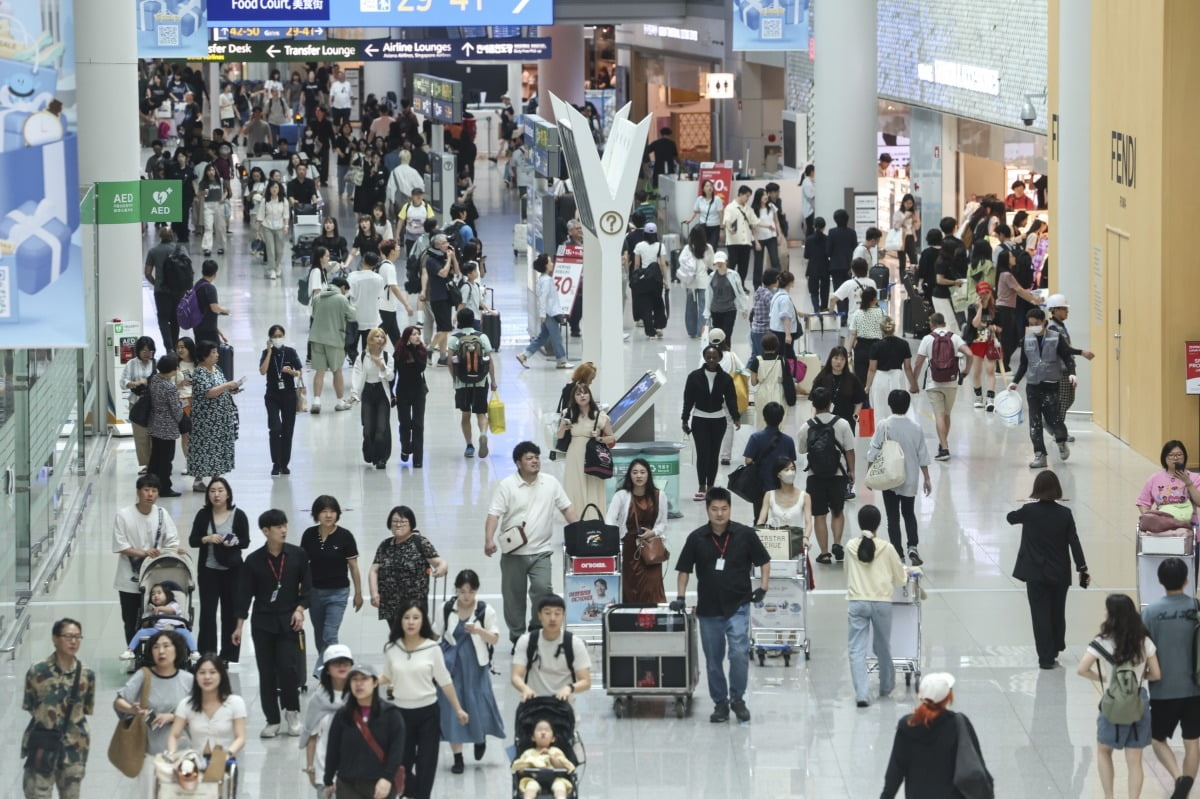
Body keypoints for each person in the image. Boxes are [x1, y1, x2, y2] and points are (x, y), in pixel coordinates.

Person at [673, 487, 769, 723]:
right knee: (713, 660)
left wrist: (763, 587)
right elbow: (684, 569)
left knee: (738, 653)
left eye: (724, 509)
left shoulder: (745, 534)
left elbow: (764, 561)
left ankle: (737, 698)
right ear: (707, 510)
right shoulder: (696, 538)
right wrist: (681, 597)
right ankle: (720, 704)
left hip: (738, 605)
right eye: (714, 509)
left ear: (730, 509)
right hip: (708, 610)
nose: (719, 514)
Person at [485, 442, 580, 646]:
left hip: (541, 551)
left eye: (536, 457)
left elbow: (567, 508)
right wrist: (489, 539)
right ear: (518, 463)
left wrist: (580, 531)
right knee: (513, 599)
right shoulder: (507, 485)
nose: (535, 461)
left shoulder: (551, 483)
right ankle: (518, 638)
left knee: (543, 589)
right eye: (529, 458)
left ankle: (536, 629)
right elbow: (494, 514)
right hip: (513, 553)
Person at [233, 509, 312, 738]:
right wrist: (239, 626)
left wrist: (300, 609)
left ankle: (293, 712)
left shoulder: (298, 555)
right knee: (266, 672)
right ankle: (272, 719)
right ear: (266, 531)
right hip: (263, 623)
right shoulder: (254, 561)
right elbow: (244, 595)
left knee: (289, 669)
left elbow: (307, 588)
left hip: (289, 622)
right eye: (278, 527)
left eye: (285, 525)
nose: (284, 530)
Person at [379, 600, 469, 799]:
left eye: (416, 618)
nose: (411, 622)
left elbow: (444, 681)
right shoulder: (392, 648)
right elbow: (387, 676)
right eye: (407, 618)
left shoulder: (432, 648)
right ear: (400, 621)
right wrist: (369, 683)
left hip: (428, 713)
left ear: (423, 622)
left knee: (426, 766)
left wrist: (458, 709)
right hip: (401, 715)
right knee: (400, 766)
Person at [1077, 594, 1162, 799]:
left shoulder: (1102, 641)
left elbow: (1082, 669)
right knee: (1135, 760)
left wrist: (1106, 678)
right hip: (1138, 703)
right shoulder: (1144, 641)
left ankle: (1109, 796)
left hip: (1113, 703)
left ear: (1112, 615)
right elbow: (1157, 674)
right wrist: (1139, 677)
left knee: (1104, 751)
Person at [1005, 468, 1090, 671]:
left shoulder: (1028, 511)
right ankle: (1056, 646)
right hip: (1060, 572)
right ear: (1057, 490)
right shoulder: (1065, 514)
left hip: (1035, 573)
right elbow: (1074, 542)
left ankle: (1045, 657)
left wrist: (1019, 508)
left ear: (1036, 489)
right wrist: (1082, 567)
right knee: (1057, 611)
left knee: (1040, 613)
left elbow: (1010, 518)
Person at [433, 570, 504, 773]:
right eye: (462, 591)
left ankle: (479, 737)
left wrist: (479, 630)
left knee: (479, 704)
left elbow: (495, 638)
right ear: (456, 590)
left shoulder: (485, 610)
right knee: (452, 706)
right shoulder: (446, 608)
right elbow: (436, 633)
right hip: (452, 665)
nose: (466, 596)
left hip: (476, 665)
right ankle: (458, 758)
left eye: (470, 591)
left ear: (476, 590)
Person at [1142, 558, 1200, 798]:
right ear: (1187, 580)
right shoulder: (1196, 609)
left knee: (1157, 738)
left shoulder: (1150, 613)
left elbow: (1143, 650)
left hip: (1163, 688)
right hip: (1195, 688)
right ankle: (1185, 783)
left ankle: (1179, 779)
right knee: (1193, 742)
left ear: (1160, 581)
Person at [881, 673, 991, 797]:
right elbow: (976, 764)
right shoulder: (958, 724)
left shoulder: (907, 726)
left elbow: (895, 771)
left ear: (920, 696)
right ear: (948, 697)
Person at [21, 618, 96, 799]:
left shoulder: (87, 674)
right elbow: (31, 704)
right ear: (55, 638)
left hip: (74, 747)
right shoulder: (37, 671)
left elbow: (86, 708)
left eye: (78, 637)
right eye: (68, 636)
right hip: (42, 743)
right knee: (37, 793)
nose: (73, 641)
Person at [113, 630, 195, 795]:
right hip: (150, 755)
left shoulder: (188, 680)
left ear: (177, 649)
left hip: (183, 754)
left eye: (166, 646)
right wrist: (132, 709)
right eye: (156, 647)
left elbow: (199, 715)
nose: (161, 651)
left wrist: (172, 717)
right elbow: (119, 701)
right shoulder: (144, 676)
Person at [845, 506, 907, 708]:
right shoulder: (887, 548)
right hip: (882, 603)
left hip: (857, 602)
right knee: (882, 646)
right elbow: (900, 579)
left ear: (859, 523)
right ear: (879, 524)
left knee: (856, 649)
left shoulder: (850, 546)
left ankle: (862, 694)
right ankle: (886, 687)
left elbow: (847, 572)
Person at [112, 474, 182, 643]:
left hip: (155, 579)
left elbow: (172, 540)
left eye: (154, 490)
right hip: (129, 578)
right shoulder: (123, 515)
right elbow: (120, 546)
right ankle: (133, 653)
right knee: (130, 620)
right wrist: (144, 553)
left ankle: (152, 654)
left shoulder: (161, 514)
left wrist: (174, 550)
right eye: (146, 490)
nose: (150, 494)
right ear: (138, 492)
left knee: (154, 619)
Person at [865, 391, 932, 565]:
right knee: (909, 513)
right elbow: (922, 454)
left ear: (889, 404)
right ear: (908, 405)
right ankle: (913, 547)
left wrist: (869, 473)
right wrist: (926, 478)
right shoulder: (916, 427)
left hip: (890, 477)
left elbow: (873, 450)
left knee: (892, 517)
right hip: (910, 478)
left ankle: (897, 553)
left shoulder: (884, 425)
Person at [300, 496, 364, 680]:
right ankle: (328, 670)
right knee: (320, 638)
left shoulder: (345, 536)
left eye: (332, 511)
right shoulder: (309, 535)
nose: (328, 515)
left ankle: (326, 676)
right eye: (324, 511)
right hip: (315, 593)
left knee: (330, 635)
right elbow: (303, 566)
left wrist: (358, 594)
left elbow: (353, 567)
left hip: (338, 593)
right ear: (316, 514)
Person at [322, 662, 406, 799]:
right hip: (348, 785)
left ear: (375, 683)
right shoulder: (342, 715)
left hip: (380, 785)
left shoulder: (391, 714)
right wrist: (328, 779)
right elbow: (333, 749)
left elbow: (397, 750)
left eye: (364, 679)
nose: (359, 684)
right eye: (354, 680)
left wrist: (387, 778)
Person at [189, 477, 250, 665]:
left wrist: (231, 540)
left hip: (232, 571)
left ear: (228, 494)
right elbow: (193, 540)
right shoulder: (202, 515)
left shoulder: (238, 515)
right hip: (208, 571)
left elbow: (246, 541)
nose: (216, 494)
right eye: (213, 491)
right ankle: (208, 654)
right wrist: (207, 538)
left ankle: (227, 655)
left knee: (230, 612)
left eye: (220, 490)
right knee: (207, 613)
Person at [1008, 307, 1075, 469]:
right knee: (1035, 422)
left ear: (1044, 322)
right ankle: (1040, 454)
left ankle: (1061, 441)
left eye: (1036, 323)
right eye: (1031, 324)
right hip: (1033, 387)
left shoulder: (1056, 338)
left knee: (1055, 420)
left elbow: (1067, 357)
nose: (1034, 327)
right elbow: (1024, 364)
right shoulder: (1027, 340)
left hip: (1051, 386)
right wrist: (1015, 381)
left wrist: (1072, 373)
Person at [797, 387, 855, 565]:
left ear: (813, 404)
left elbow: (802, 449)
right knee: (837, 511)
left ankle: (824, 553)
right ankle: (837, 543)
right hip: (838, 474)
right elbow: (850, 450)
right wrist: (851, 471)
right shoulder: (842, 423)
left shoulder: (806, 426)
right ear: (831, 403)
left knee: (819, 515)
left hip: (816, 476)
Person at [370, 506, 447, 635]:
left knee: (415, 639)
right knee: (398, 639)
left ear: (411, 523)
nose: (398, 525)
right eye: (395, 521)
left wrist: (441, 569)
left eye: (403, 522)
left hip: (414, 605)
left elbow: (440, 562)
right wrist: (374, 593)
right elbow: (373, 570)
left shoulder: (420, 542)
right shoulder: (385, 545)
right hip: (390, 603)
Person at [164, 655, 246, 778]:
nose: (207, 677)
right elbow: (174, 735)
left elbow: (240, 738)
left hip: (225, 763)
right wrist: (172, 755)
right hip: (195, 765)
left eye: (212, 672)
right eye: (202, 673)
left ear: (221, 675)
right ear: (196, 676)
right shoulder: (186, 704)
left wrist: (226, 755)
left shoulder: (235, 702)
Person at [910, 313, 972, 462]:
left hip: (934, 382)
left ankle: (944, 449)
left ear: (931, 324)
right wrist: (966, 371)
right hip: (951, 382)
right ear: (944, 323)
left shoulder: (927, 338)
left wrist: (914, 382)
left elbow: (918, 363)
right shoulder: (954, 337)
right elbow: (970, 354)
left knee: (938, 415)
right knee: (946, 415)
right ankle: (943, 443)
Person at [605, 457, 668, 604]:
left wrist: (653, 533)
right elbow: (609, 520)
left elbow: (663, 524)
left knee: (652, 585)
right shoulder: (621, 495)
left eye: (642, 472)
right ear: (630, 475)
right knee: (631, 585)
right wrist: (614, 539)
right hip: (629, 548)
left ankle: (653, 618)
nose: (639, 476)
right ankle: (631, 618)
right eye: (635, 472)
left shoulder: (659, 495)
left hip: (651, 547)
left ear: (648, 475)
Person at [682, 346, 741, 501]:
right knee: (702, 454)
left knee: (714, 454)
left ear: (720, 358)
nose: (711, 360)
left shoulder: (726, 378)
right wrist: (684, 419)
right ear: (704, 357)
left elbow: (731, 399)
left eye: (714, 357)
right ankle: (702, 485)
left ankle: (711, 486)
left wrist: (736, 417)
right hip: (699, 419)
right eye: (708, 357)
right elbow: (688, 399)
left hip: (718, 420)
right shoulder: (694, 377)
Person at [511, 594, 593, 704]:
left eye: (557, 613)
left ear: (563, 616)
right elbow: (516, 676)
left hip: (564, 709)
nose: (552, 618)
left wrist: (569, 688)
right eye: (547, 613)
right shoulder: (526, 641)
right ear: (539, 615)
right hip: (534, 706)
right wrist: (525, 689)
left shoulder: (575, 643)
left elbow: (586, 681)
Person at [188, 340, 241, 493]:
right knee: (204, 448)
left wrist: (231, 389)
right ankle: (198, 480)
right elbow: (209, 392)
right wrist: (226, 386)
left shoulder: (216, 369)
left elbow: (220, 388)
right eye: (213, 353)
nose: (217, 355)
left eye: (217, 352)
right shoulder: (199, 372)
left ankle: (215, 477)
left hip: (220, 418)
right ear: (204, 356)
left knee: (219, 446)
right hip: (206, 420)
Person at [302, 645, 353, 798]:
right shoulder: (318, 700)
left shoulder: (359, 697)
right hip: (324, 768)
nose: (342, 666)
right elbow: (311, 735)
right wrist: (311, 768)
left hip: (354, 772)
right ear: (327, 669)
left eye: (345, 662)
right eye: (336, 662)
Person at [557, 382, 616, 513]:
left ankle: (594, 515)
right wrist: (563, 427)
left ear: (590, 395)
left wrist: (599, 438)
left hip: (593, 455)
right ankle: (575, 515)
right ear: (574, 397)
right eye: (578, 394)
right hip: (574, 455)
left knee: (593, 484)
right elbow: (559, 436)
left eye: (585, 393)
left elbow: (611, 438)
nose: (582, 396)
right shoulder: (568, 413)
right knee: (575, 485)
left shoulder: (600, 416)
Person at [447, 308, 497, 459]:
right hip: (480, 381)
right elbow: (489, 361)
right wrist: (493, 381)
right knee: (481, 413)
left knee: (465, 414)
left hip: (462, 383)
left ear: (460, 321)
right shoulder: (482, 337)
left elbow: (450, 362)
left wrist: (455, 379)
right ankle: (482, 434)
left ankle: (469, 446)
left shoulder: (454, 338)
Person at [1045, 293, 1095, 440]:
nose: (1067, 311)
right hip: (1059, 370)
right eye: (1064, 309)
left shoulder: (1060, 326)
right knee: (1064, 400)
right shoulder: (1053, 328)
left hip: (1065, 368)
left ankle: (1054, 425)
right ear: (1054, 310)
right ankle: (1058, 430)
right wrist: (1081, 352)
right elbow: (1063, 349)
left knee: (1066, 399)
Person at [259, 325, 303, 476]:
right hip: (272, 395)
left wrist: (291, 372)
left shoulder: (290, 352)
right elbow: (262, 371)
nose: (278, 338)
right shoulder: (266, 353)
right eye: (275, 336)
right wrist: (270, 351)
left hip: (289, 395)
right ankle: (275, 463)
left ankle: (284, 463)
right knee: (275, 428)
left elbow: (299, 372)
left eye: (280, 335)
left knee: (287, 430)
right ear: (270, 338)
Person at [742, 402, 797, 521]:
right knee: (781, 519)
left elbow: (748, 460)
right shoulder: (788, 440)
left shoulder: (756, 438)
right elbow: (792, 462)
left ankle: (759, 538)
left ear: (764, 417)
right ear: (781, 418)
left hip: (760, 485)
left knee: (759, 517)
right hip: (781, 485)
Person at [350, 327, 395, 469]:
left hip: (382, 393)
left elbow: (391, 376)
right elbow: (357, 375)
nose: (380, 339)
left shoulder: (388, 357)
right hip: (368, 393)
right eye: (377, 336)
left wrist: (382, 366)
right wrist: (355, 393)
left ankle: (382, 458)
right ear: (370, 339)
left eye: (382, 337)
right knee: (368, 429)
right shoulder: (362, 357)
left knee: (381, 429)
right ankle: (369, 451)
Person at [309, 276, 355, 414]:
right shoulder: (341, 299)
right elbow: (353, 316)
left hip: (316, 338)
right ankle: (340, 402)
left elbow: (313, 314)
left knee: (319, 371)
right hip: (334, 339)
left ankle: (316, 401)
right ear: (342, 287)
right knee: (337, 371)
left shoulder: (317, 297)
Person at [517, 254, 571, 370]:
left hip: (547, 312)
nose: (552, 264)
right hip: (549, 313)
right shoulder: (546, 281)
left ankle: (524, 355)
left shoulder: (542, 279)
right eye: (550, 262)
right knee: (556, 337)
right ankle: (561, 361)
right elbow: (543, 298)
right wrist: (542, 314)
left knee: (542, 337)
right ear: (546, 265)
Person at [120, 582, 198, 658]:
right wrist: (150, 617)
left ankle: (193, 651)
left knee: (186, 633)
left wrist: (160, 609)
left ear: (167, 595)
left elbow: (173, 611)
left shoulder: (173, 604)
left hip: (175, 628)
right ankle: (130, 651)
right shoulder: (151, 609)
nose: (155, 596)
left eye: (159, 593)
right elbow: (145, 625)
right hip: (158, 630)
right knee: (141, 632)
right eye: (153, 594)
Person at [755, 457, 812, 561]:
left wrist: (806, 538)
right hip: (775, 545)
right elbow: (761, 520)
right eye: (786, 470)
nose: (790, 472)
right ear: (778, 474)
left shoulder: (805, 496)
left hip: (796, 544)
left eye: (792, 469)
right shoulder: (769, 495)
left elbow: (808, 522)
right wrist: (759, 534)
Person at [145, 354, 185, 497]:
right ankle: (165, 488)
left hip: (155, 425)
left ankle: (149, 485)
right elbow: (176, 410)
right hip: (167, 428)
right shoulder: (169, 387)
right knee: (166, 460)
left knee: (155, 457)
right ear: (172, 370)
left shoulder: (155, 380)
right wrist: (183, 418)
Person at [1136, 440, 1200, 526]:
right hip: (1163, 529)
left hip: (1188, 529)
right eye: (1171, 455)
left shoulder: (1194, 477)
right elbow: (1142, 502)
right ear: (1164, 458)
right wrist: (1150, 519)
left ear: (1184, 457)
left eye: (1179, 454)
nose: (1175, 458)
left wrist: (1189, 483)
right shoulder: (1155, 478)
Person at [512, 718, 576, 799]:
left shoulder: (556, 752)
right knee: (530, 787)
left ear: (553, 738)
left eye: (547, 730)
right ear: (533, 737)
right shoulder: (528, 753)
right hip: (533, 778)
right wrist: (526, 767)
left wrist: (551, 757)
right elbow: (520, 770)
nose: (543, 732)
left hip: (556, 778)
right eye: (539, 730)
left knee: (560, 786)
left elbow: (563, 766)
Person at [144, 228, 187, 348]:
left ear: (160, 237)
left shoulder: (153, 251)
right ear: (172, 236)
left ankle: (168, 347)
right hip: (178, 290)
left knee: (163, 319)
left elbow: (147, 273)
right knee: (175, 318)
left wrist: (156, 283)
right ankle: (175, 345)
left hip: (161, 291)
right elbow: (189, 268)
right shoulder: (181, 249)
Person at [864, 319, 915, 420]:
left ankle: (882, 433)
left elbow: (872, 369)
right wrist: (913, 384)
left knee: (880, 409)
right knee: (899, 407)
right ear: (894, 328)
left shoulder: (876, 346)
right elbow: (908, 367)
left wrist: (868, 386)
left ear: (881, 329)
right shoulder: (904, 344)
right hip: (898, 378)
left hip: (880, 378)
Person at [394, 325, 429, 468]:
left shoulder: (421, 351)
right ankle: (405, 447)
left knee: (418, 424)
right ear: (407, 337)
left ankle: (418, 458)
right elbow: (393, 373)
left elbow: (421, 367)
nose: (417, 336)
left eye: (418, 334)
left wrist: (414, 350)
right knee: (405, 423)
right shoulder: (399, 352)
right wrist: (390, 392)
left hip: (419, 391)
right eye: (414, 334)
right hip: (402, 391)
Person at [121, 336, 156, 472]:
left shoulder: (156, 363)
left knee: (154, 434)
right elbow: (123, 381)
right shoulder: (131, 364)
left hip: (153, 404)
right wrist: (133, 383)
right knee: (140, 435)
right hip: (136, 402)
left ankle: (155, 463)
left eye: (150, 351)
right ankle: (147, 464)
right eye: (144, 351)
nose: (147, 354)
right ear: (138, 351)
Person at [966, 281, 1001, 410]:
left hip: (990, 343)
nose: (985, 295)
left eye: (987, 292)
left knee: (990, 370)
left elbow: (1001, 328)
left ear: (991, 293)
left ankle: (990, 398)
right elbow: (975, 324)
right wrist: (979, 308)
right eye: (982, 293)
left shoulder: (996, 309)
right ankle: (978, 397)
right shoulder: (972, 308)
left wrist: (995, 327)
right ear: (977, 294)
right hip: (976, 342)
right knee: (977, 371)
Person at [630, 222, 669, 338]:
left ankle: (650, 332)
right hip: (656, 279)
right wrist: (665, 280)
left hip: (643, 279)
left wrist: (636, 278)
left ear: (644, 233)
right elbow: (662, 264)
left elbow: (637, 265)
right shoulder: (660, 246)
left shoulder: (639, 246)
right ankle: (659, 327)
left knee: (646, 305)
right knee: (658, 303)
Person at [702, 251, 750, 345]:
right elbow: (708, 295)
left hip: (730, 310)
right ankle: (718, 356)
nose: (719, 264)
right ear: (714, 264)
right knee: (716, 336)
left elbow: (740, 292)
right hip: (715, 310)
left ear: (726, 262)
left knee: (727, 335)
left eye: (721, 262)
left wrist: (744, 308)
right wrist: (707, 312)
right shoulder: (711, 277)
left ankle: (727, 355)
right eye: (717, 263)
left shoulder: (734, 275)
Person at [747, 333, 793, 431]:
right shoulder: (782, 360)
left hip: (762, 391)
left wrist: (761, 378)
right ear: (777, 345)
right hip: (778, 390)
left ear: (762, 345)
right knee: (779, 421)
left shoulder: (756, 360)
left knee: (762, 420)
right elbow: (787, 379)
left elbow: (754, 382)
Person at [678, 224, 714, 339]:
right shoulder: (708, 248)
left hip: (690, 282)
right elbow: (711, 264)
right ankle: (702, 331)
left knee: (690, 306)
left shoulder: (687, 248)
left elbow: (681, 261)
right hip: (703, 281)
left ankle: (691, 331)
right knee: (704, 307)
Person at [848, 286, 884, 387]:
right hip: (878, 347)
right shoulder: (881, 312)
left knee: (861, 379)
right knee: (876, 378)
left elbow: (853, 334)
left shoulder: (857, 313)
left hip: (861, 348)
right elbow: (885, 332)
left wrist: (849, 351)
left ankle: (863, 400)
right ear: (874, 299)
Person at [722, 186, 755, 288]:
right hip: (734, 242)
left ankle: (741, 286)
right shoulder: (730, 207)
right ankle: (729, 286)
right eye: (746, 196)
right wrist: (729, 228)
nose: (747, 199)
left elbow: (754, 222)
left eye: (749, 197)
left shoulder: (748, 208)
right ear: (740, 194)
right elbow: (727, 221)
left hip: (746, 242)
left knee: (744, 266)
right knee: (732, 265)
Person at [256, 180, 289, 279]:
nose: (274, 190)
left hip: (280, 227)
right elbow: (261, 216)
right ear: (269, 189)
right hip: (268, 227)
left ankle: (278, 265)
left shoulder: (284, 200)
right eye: (272, 187)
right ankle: (272, 269)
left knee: (279, 250)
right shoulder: (265, 201)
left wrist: (286, 226)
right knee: (270, 249)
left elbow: (286, 215)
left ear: (279, 189)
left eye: (276, 187)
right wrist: (258, 230)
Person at [768, 271, 801, 360]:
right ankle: (788, 373)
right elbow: (786, 317)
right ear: (790, 283)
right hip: (782, 333)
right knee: (788, 357)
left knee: (780, 356)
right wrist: (788, 335)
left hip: (775, 330)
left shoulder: (777, 295)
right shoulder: (785, 298)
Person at [685, 179, 724, 249]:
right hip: (703, 227)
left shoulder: (717, 199)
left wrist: (721, 229)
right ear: (703, 189)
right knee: (702, 247)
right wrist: (690, 220)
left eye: (711, 186)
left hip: (714, 227)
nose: (709, 188)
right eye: (707, 186)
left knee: (712, 247)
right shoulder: (700, 199)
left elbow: (721, 214)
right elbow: (695, 211)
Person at [803, 216, 831, 314]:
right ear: (824, 227)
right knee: (825, 289)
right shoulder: (827, 239)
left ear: (814, 226)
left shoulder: (809, 239)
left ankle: (816, 309)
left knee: (813, 290)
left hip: (812, 267)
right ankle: (824, 308)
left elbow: (806, 255)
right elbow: (829, 253)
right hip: (825, 266)